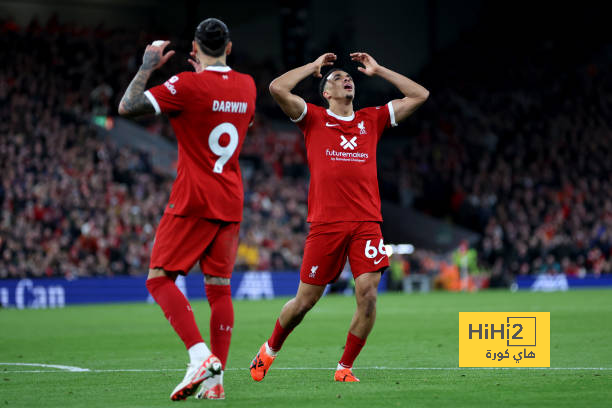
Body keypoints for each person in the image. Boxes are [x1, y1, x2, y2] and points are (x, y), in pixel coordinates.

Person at [249, 52, 428, 382]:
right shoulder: (313, 118)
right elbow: (277, 89)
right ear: (326, 92)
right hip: (326, 224)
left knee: (369, 295)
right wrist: (312, 68)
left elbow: (420, 95)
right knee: (304, 302)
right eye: (336, 78)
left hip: (366, 223)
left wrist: (379, 69)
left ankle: (344, 368)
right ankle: (269, 350)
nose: (346, 79)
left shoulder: (371, 120)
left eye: (349, 77)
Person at [118, 18, 256, 401]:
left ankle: (198, 356)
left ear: (193, 50)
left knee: (159, 278)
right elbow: (221, 105)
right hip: (231, 198)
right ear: (229, 47)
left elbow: (127, 106)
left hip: (194, 197)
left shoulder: (186, 85)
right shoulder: (248, 86)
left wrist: (148, 66)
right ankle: (216, 383)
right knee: (219, 289)